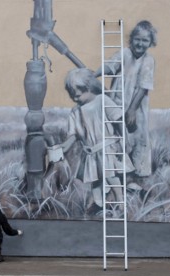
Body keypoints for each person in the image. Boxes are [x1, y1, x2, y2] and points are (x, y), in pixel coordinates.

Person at [57, 67, 134, 215]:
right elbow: (73, 135)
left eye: (78, 95)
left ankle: (120, 201)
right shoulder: (75, 111)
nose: (75, 99)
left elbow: (118, 121)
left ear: (89, 88)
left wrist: (123, 142)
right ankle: (98, 204)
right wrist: (63, 147)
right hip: (92, 153)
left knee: (110, 176)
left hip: (107, 147)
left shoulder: (103, 101)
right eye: (72, 96)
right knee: (96, 180)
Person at [97, 20, 157, 189]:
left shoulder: (148, 60)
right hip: (116, 104)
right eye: (137, 39)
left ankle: (137, 182)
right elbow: (110, 66)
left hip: (135, 108)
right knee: (118, 138)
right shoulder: (124, 54)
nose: (140, 43)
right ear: (132, 39)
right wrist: (95, 73)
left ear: (150, 43)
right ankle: (120, 179)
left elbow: (143, 88)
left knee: (136, 139)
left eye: (145, 40)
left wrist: (131, 110)